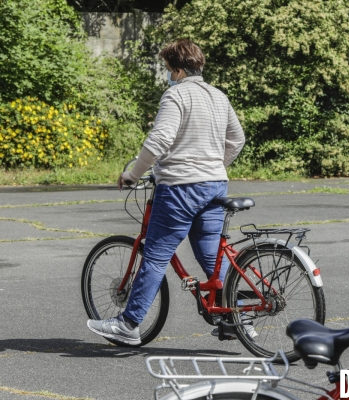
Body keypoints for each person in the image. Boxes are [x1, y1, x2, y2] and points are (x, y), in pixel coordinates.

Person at [87, 39, 246, 345]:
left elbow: (160, 140)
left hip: (180, 188)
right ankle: (238, 317)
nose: (168, 75)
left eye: (168, 69)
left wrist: (133, 174)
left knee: (156, 256)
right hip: (215, 185)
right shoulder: (218, 96)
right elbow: (236, 140)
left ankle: (129, 323)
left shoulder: (176, 95)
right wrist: (213, 165)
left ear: (176, 69)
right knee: (213, 254)